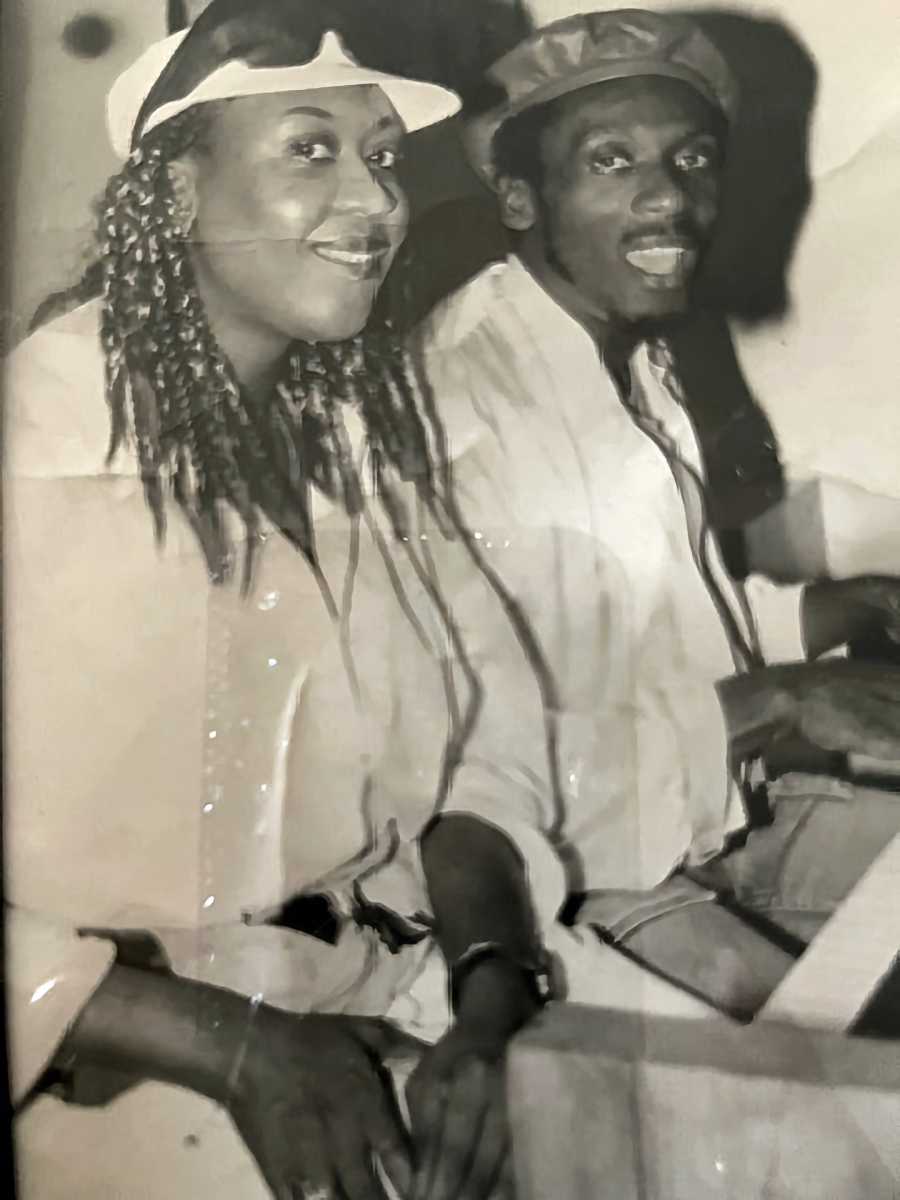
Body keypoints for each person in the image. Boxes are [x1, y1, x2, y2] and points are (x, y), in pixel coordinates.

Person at [3, 2, 496, 1198]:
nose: (377, 201)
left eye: (382, 156)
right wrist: (235, 1049)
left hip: (364, 997)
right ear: (176, 191)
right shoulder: (36, 444)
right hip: (134, 1070)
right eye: (310, 149)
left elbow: (459, 776)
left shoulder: (347, 445)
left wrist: (493, 991)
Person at [411, 7, 900, 1175]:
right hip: (566, 889)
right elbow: (472, 772)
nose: (668, 198)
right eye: (610, 161)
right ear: (519, 199)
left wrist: (859, 607)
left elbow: (661, 629)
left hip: (706, 823)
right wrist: (785, 701)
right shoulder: (465, 400)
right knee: (854, 1119)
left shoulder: (635, 359)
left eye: (690, 158)